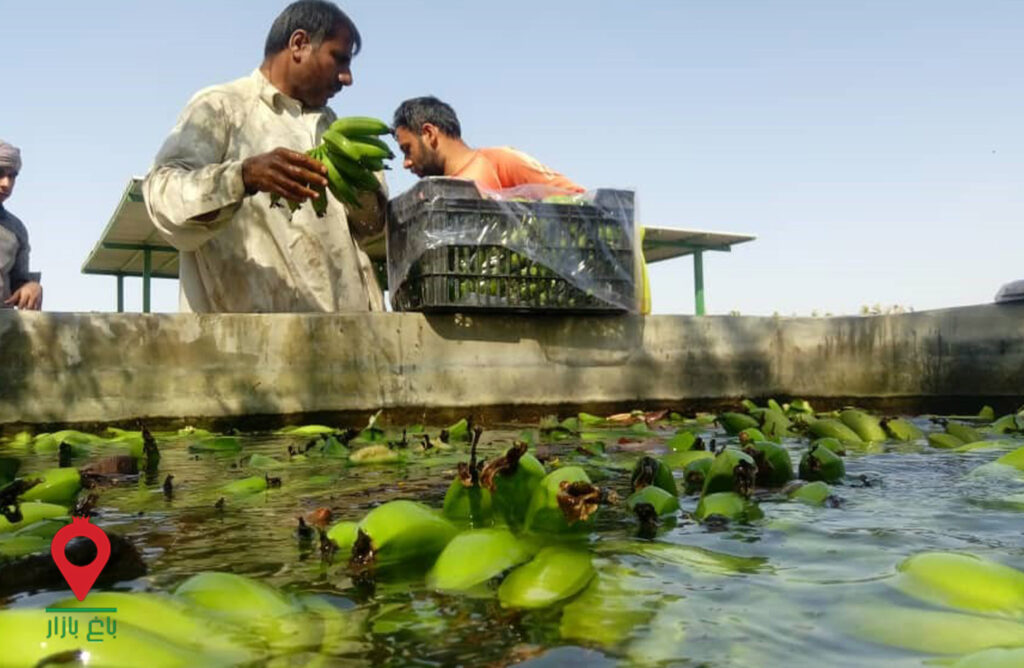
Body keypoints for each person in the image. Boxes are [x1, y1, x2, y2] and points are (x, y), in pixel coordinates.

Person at [144, 0, 385, 313]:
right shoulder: (222, 106)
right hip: (252, 349)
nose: (347, 77)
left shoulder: (337, 132)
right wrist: (242, 177)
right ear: (299, 44)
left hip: (349, 344)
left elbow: (374, 228)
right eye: (339, 59)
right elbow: (161, 196)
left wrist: (360, 187)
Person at [392, 96, 584, 193]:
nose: (406, 163)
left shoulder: (502, 162)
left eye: (407, 150)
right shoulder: (430, 198)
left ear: (429, 133)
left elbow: (577, 201)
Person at [0, 140, 43, 311]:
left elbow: (19, 282)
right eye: (0, 173)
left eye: (12, 176)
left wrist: (31, 287)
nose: (6, 184)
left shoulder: (16, 230)